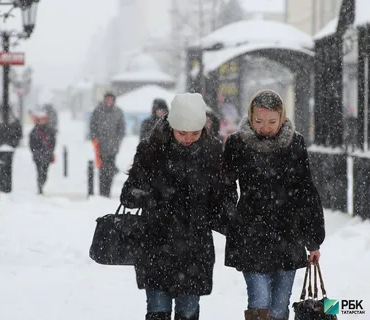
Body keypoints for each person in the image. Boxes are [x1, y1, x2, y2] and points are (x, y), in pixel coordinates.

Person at [223, 89, 325, 320]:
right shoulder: (237, 144)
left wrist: (313, 241)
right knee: (259, 304)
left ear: (282, 118)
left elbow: (306, 192)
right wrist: (230, 220)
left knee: (280, 308)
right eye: (258, 121)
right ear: (250, 117)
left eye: (271, 121)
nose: (265, 127)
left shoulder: (294, 143)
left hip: (287, 235)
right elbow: (225, 187)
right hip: (251, 234)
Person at [120, 93, 224, 320]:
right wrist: (153, 196)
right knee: (157, 312)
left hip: (194, 249)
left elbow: (222, 198)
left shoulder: (213, 151)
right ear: (172, 126)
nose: (188, 138)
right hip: (157, 245)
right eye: (182, 133)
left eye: (195, 133)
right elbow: (128, 195)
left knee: (188, 313)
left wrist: (228, 219)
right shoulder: (151, 149)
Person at [89, 92, 125, 197]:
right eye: (107, 99)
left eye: (111, 99)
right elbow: (92, 126)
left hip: (113, 148)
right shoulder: (98, 111)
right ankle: (102, 193)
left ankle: (107, 191)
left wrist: (117, 141)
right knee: (102, 170)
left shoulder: (118, 112)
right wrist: (96, 138)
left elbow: (121, 129)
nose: (109, 101)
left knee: (110, 170)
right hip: (100, 147)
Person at [29, 112, 56, 194]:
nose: (42, 121)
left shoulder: (50, 130)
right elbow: (31, 144)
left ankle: (42, 184)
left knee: (45, 172)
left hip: (47, 155)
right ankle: (39, 187)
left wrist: (50, 151)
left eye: (44, 119)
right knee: (39, 171)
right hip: (38, 155)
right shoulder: (34, 131)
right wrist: (36, 152)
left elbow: (53, 142)